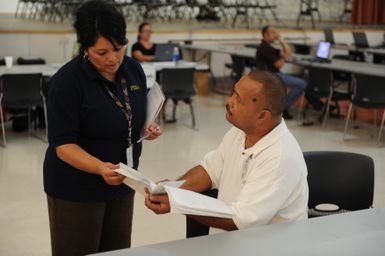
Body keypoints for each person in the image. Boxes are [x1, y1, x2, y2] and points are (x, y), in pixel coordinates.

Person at [43, 1, 161, 255]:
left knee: (117, 250)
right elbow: (63, 145)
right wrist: (99, 168)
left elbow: (131, 114)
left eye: (118, 49)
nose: (113, 59)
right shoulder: (67, 82)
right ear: (85, 48)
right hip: (76, 188)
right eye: (102, 52)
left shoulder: (133, 69)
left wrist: (145, 128)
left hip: (123, 180)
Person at [145, 70, 309, 233]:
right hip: (235, 240)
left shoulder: (279, 158)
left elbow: (240, 220)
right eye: (233, 93)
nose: (229, 101)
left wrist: (177, 202)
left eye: (238, 99)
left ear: (262, 116)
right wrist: (174, 188)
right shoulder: (241, 132)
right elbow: (210, 171)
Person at [256, 26, 313, 120]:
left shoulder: (269, 47)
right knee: (301, 84)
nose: (276, 35)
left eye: (276, 32)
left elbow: (288, 53)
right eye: (273, 32)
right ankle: (283, 108)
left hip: (274, 74)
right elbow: (279, 64)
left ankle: (281, 107)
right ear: (266, 34)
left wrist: (281, 41)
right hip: (271, 77)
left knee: (300, 82)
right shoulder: (265, 48)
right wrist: (283, 57)